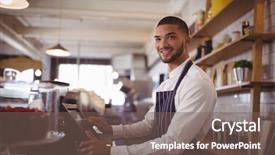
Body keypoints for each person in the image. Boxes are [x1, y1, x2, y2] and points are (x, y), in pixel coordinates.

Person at [79, 16, 217, 155]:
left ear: (187, 41)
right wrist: (110, 129)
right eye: (158, 39)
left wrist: (111, 151)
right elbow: (148, 125)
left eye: (171, 37)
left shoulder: (197, 83)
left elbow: (173, 144)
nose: (162, 45)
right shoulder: (166, 84)